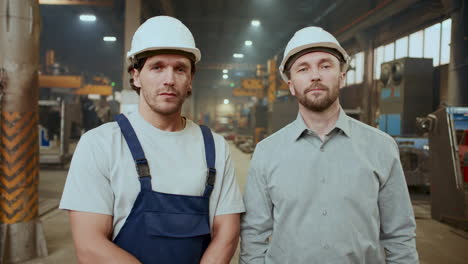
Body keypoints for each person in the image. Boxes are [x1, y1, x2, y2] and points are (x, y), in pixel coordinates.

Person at [60, 16, 245, 264]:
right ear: (136, 76)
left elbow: (227, 234)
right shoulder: (100, 145)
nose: (169, 79)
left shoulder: (215, 148)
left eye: (180, 69)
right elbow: (90, 245)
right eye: (157, 67)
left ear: (190, 80)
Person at [240, 26, 419, 263]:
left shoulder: (381, 147)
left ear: (341, 77)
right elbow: (253, 235)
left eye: (325, 66)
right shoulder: (267, 152)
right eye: (303, 69)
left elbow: (400, 235)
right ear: (291, 85)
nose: (315, 75)